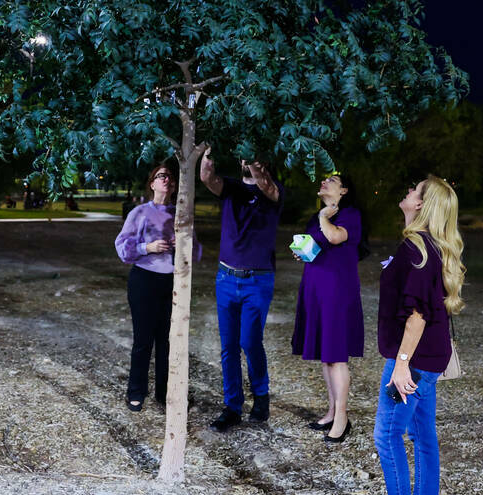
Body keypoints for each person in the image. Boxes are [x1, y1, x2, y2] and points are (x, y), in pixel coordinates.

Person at [363, 176, 466, 495]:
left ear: (422, 205)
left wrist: (401, 365)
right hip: (428, 359)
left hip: (414, 360)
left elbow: (418, 313)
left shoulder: (416, 247)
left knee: (386, 436)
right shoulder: (429, 246)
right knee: (422, 433)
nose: (406, 192)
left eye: (413, 190)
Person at [200, 147, 285, 432]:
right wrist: (209, 148)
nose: (246, 160)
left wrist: (256, 165)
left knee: (250, 341)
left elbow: (266, 185)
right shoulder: (231, 188)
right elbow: (206, 177)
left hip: (257, 280)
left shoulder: (273, 191)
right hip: (226, 278)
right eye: (243, 155)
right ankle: (232, 406)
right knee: (228, 347)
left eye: (253, 156)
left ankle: (261, 396)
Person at [114, 163, 202, 412]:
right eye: (160, 176)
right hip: (144, 279)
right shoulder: (139, 212)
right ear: (152, 183)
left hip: (173, 282)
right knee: (143, 339)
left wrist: (183, 244)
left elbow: (195, 253)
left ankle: (165, 393)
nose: (166, 179)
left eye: (170, 177)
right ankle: (136, 391)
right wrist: (147, 248)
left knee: (168, 341)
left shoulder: (182, 215)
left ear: (174, 186)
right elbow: (122, 247)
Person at [290, 172, 365, 443]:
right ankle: (332, 411)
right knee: (326, 354)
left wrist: (324, 218)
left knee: (337, 356)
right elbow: (317, 246)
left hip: (337, 291)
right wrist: (303, 251)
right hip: (316, 289)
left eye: (331, 181)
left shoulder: (350, 215)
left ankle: (343, 419)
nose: (323, 182)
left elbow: (334, 238)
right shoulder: (318, 216)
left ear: (344, 191)